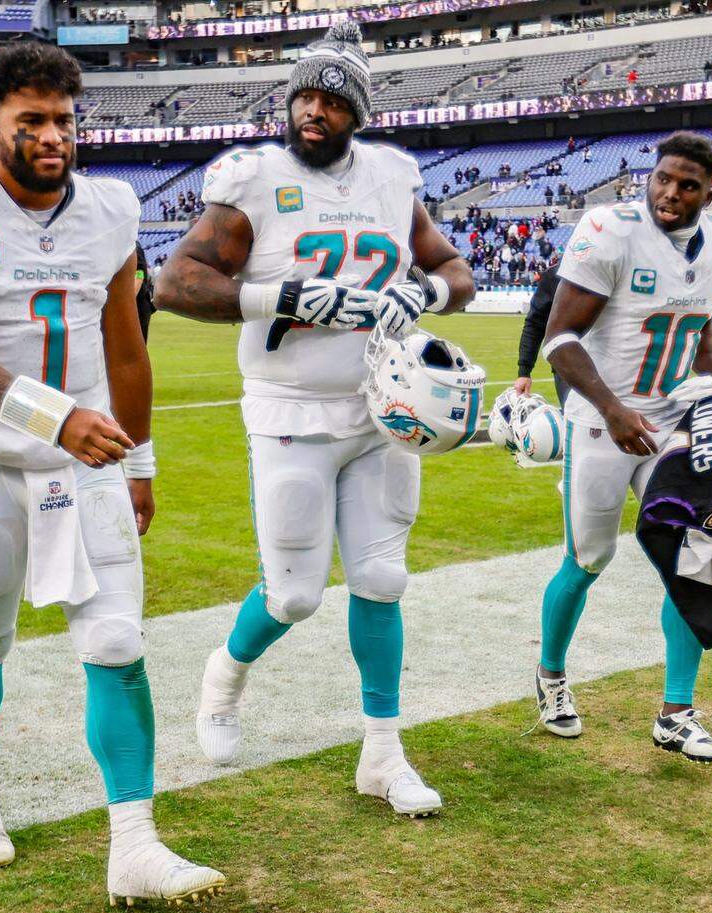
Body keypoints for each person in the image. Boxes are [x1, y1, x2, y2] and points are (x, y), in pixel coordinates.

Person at [0, 42, 225, 907]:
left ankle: (135, 846)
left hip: (88, 461)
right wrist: (58, 418)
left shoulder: (109, 209)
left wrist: (140, 458)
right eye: (30, 121)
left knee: (116, 642)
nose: (51, 137)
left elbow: (126, 340)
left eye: (63, 120)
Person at [154, 22, 476, 817]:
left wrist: (425, 293)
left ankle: (384, 753)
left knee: (381, 577)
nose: (314, 111)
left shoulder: (394, 179)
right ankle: (222, 681)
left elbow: (453, 270)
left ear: (356, 113)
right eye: (305, 94)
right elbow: (176, 283)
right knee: (294, 593)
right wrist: (278, 297)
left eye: (333, 100)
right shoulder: (253, 178)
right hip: (288, 408)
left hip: (378, 408)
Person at [535, 132, 712, 764]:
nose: (670, 194)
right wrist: (613, 407)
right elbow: (559, 337)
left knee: (693, 559)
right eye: (663, 179)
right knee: (588, 559)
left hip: (671, 424)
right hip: (602, 422)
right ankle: (550, 677)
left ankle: (676, 714)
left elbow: (701, 330)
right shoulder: (611, 230)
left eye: (687, 185)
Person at [514, 265, 568, 407]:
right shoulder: (556, 274)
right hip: (569, 369)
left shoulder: (618, 265)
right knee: (577, 424)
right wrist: (524, 371)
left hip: (614, 365)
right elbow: (535, 323)